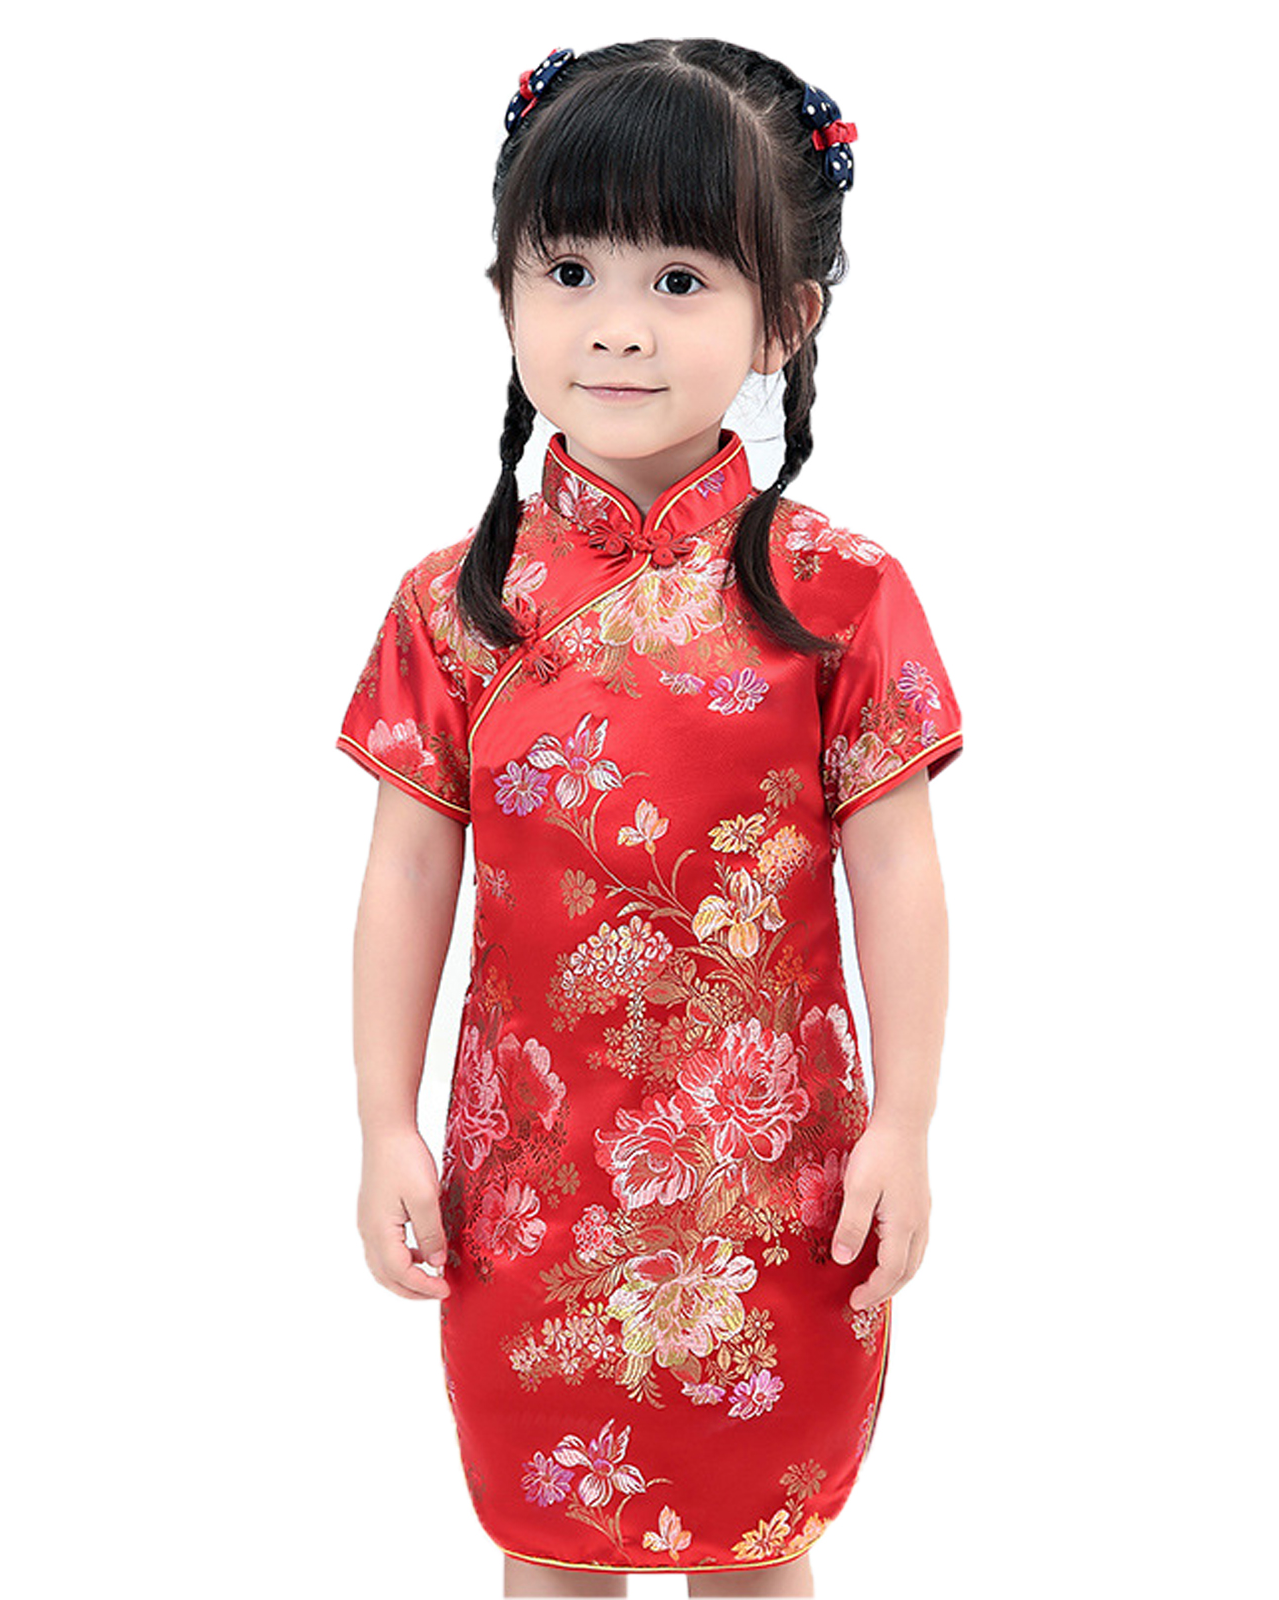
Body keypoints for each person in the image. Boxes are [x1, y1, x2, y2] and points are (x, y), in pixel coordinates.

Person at [337, 39, 964, 1599]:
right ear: (505, 291)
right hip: (529, 1179)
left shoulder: (839, 594)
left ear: (786, 317)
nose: (616, 325)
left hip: (776, 1182)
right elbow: (409, 870)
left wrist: (904, 1124)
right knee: (549, 1536)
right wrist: (383, 1120)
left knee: (760, 1540)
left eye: (680, 280)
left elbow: (896, 867)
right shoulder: (455, 604)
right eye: (570, 270)